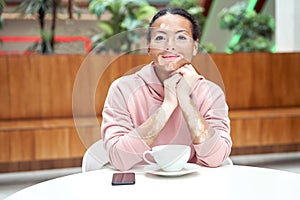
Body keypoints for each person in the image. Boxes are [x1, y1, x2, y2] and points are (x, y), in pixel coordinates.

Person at [101, 7, 232, 171]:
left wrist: (186, 101)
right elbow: (119, 159)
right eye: (161, 38)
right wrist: (168, 105)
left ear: (195, 46)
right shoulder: (122, 89)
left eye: (181, 37)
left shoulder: (211, 93)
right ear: (149, 47)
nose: (170, 46)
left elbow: (216, 158)